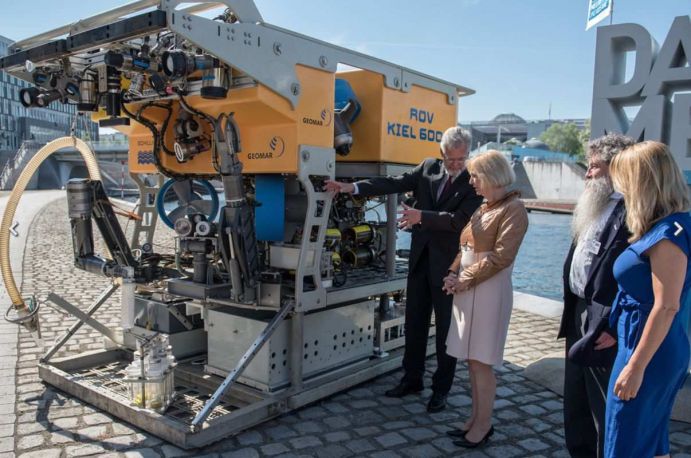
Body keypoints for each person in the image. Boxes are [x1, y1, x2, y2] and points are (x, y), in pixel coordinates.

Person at [325, 127, 482, 412]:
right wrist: (353, 187)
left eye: (461, 159)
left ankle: (441, 389)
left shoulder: (475, 181)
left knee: (447, 330)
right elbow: (393, 183)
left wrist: (422, 216)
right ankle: (412, 379)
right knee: (414, 324)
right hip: (421, 260)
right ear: (441, 153)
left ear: (467, 155)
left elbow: (461, 220)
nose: (456, 165)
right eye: (450, 159)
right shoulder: (427, 167)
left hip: (450, 267)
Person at [604, 141, 690, 458]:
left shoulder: (668, 234)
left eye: (622, 180)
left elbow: (667, 305)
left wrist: (635, 367)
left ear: (642, 183)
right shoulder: (669, 226)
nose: (618, 188)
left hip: (647, 349)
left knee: (624, 441)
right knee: (651, 443)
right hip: (651, 343)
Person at [442, 150, 529, 448]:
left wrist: (463, 279)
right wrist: (453, 273)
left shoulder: (513, 209)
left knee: (482, 362)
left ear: (491, 175)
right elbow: (464, 247)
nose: (472, 182)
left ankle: (483, 424)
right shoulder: (484, 207)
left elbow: (501, 257)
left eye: (476, 176)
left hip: (488, 292)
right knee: (472, 360)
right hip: (470, 289)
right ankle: (475, 419)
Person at [558, 133, 635, 458]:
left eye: (595, 167)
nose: (587, 174)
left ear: (617, 168)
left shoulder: (634, 212)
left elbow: (635, 280)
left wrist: (615, 327)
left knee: (601, 404)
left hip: (604, 322)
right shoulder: (596, 204)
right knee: (575, 396)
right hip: (579, 310)